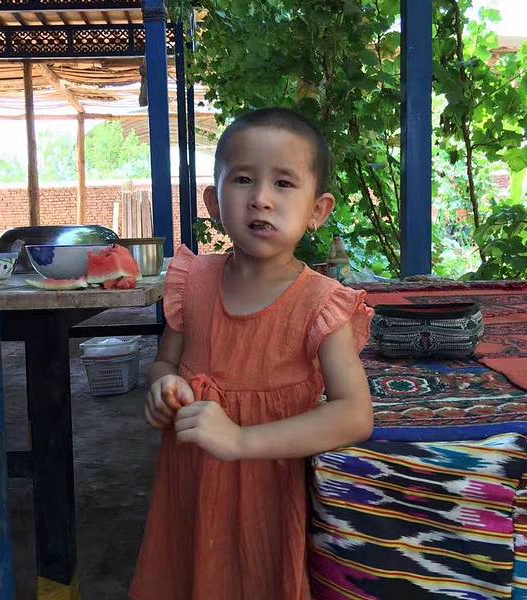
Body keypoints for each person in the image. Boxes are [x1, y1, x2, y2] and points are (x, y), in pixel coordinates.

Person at [130, 108, 374, 600]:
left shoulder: (320, 304)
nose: (261, 198)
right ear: (213, 202)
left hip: (267, 495)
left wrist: (241, 439)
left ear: (318, 210)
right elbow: (166, 363)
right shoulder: (191, 282)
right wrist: (163, 389)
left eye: (284, 183)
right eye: (243, 179)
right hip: (190, 486)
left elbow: (355, 414)